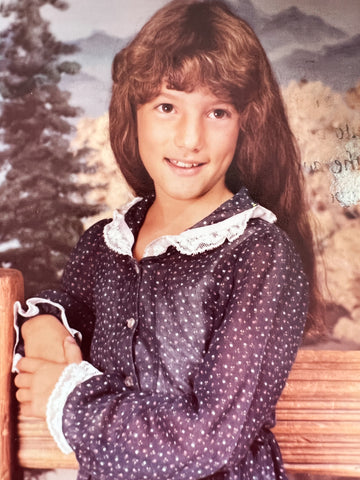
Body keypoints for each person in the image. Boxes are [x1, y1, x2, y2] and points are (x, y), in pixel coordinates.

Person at [14, 1, 323, 478]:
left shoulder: (260, 256)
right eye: (166, 107)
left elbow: (210, 441)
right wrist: (44, 323)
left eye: (217, 112)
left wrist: (71, 397)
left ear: (246, 123)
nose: (189, 138)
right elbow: (67, 304)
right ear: (132, 113)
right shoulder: (104, 244)